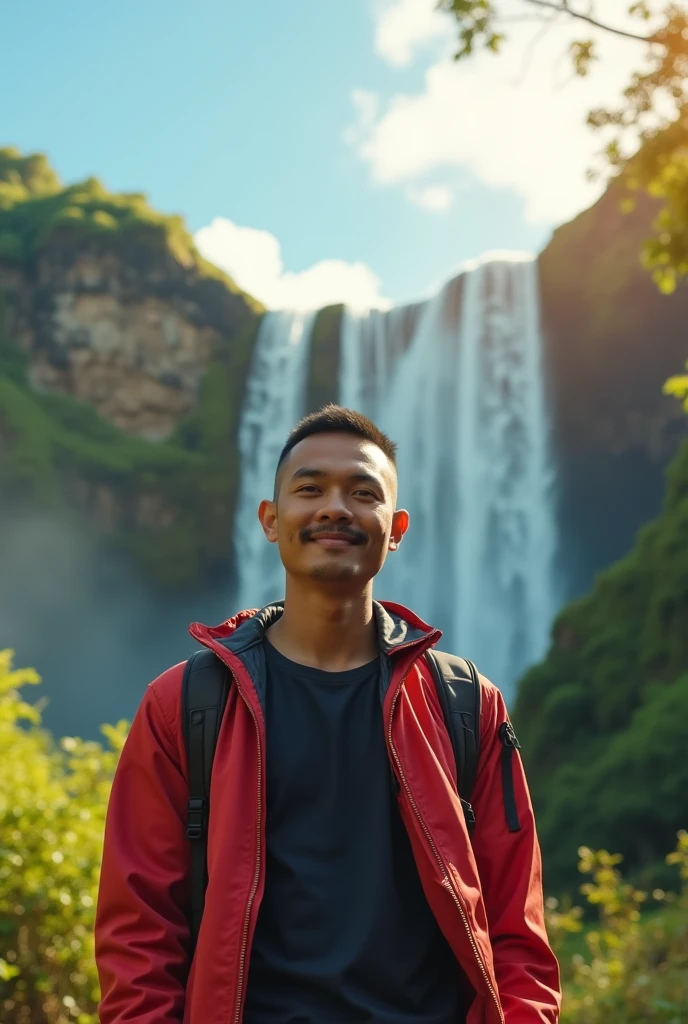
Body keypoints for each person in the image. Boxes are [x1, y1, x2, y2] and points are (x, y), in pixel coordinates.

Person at [95, 404, 561, 1024]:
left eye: (362, 492)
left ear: (395, 528)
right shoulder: (185, 704)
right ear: (268, 519)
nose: (335, 507)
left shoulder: (466, 704)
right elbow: (138, 938)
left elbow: (516, 931)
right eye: (309, 488)